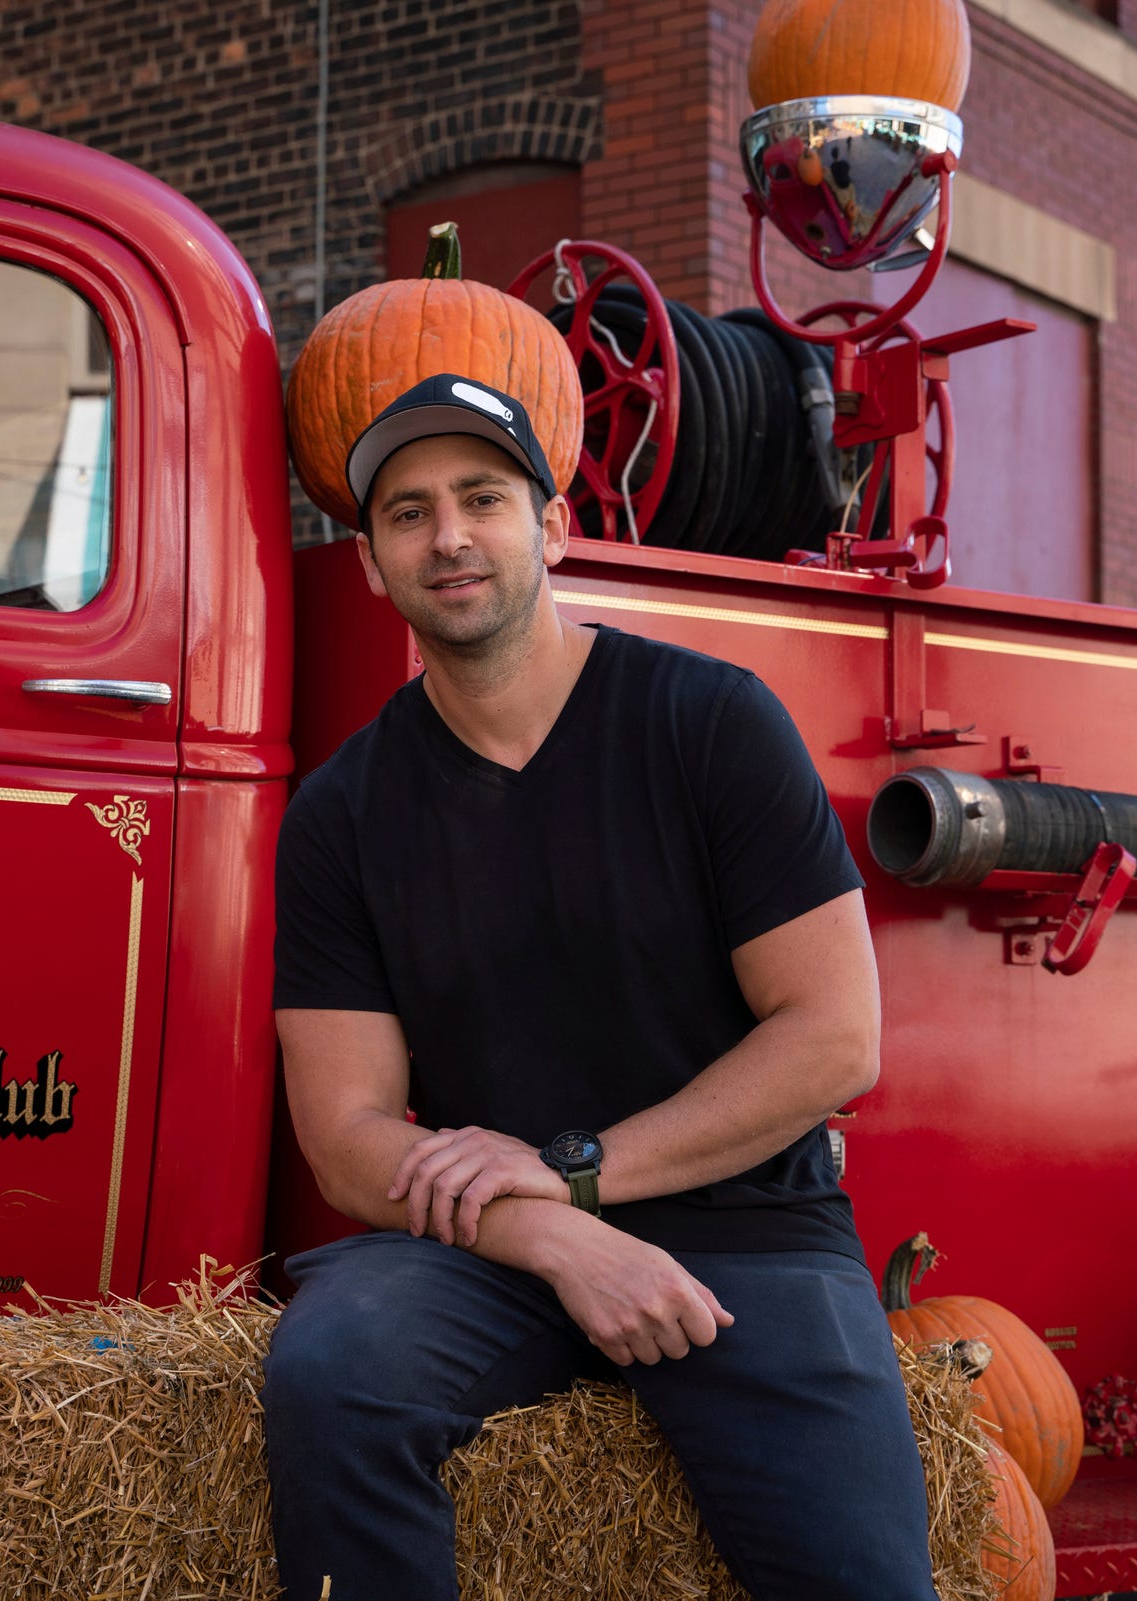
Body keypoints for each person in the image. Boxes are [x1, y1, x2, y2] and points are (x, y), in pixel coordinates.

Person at [263, 371, 938, 1600]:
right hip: (496, 1243)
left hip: (749, 1230)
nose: (449, 534)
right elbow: (347, 1137)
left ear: (556, 527)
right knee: (336, 1362)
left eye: (482, 496)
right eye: (407, 513)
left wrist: (575, 1168)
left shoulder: (708, 721)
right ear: (370, 564)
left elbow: (835, 1037)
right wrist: (559, 1234)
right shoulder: (342, 815)